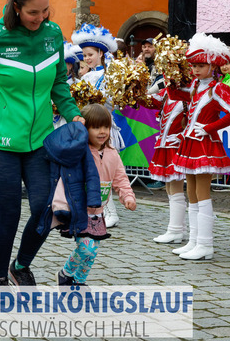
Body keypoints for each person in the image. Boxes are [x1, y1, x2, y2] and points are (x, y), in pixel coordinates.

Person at [0, 0, 84, 295]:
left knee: (45, 208)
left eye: (45, 11)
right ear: (17, 7)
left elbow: (58, 83)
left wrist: (74, 114)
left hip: (39, 139)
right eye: (32, 12)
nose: (40, 18)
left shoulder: (52, 35)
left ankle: (21, 266)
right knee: (9, 211)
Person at [41, 105, 136, 287]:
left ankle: (78, 281)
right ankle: (65, 273)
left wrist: (128, 197)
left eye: (106, 127)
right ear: (85, 129)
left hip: (98, 212)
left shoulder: (113, 154)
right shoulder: (79, 153)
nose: (102, 132)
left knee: (92, 252)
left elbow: (121, 179)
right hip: (80, 209)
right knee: (86, 249)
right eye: (96, 127)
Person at [169, 33, 230, 260]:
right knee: (191, 191)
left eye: (200, 66)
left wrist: (209, 128)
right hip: (191, 142)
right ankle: (194, 240)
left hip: (205, 144)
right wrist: (170, 77)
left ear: (213, 66)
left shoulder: (218, 88)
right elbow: (175, 94)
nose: (195, 70)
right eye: (193, 66)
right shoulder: (195, 86)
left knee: (202, 192)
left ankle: (205, 244)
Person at [72, 23, 127, 227]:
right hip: (89, 128)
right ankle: (99, 210)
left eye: (90, 55)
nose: (87, 59)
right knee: (92, 170)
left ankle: (109, 212)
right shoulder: (86, 76)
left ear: (101, 53)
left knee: (105, 171)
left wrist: (99, 100)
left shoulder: (109, 76)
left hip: (104, 127)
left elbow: (115, 103)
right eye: (85, 55)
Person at [140, 86, 187, 244]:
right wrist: (133, 88)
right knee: (169, 186)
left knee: (175, 186)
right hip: (166, 144)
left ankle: (175, 230)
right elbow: (149, 101)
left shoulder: (188, 92)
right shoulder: (167, 92)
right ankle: (178, 228)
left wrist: (181, 136)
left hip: (177, 145)